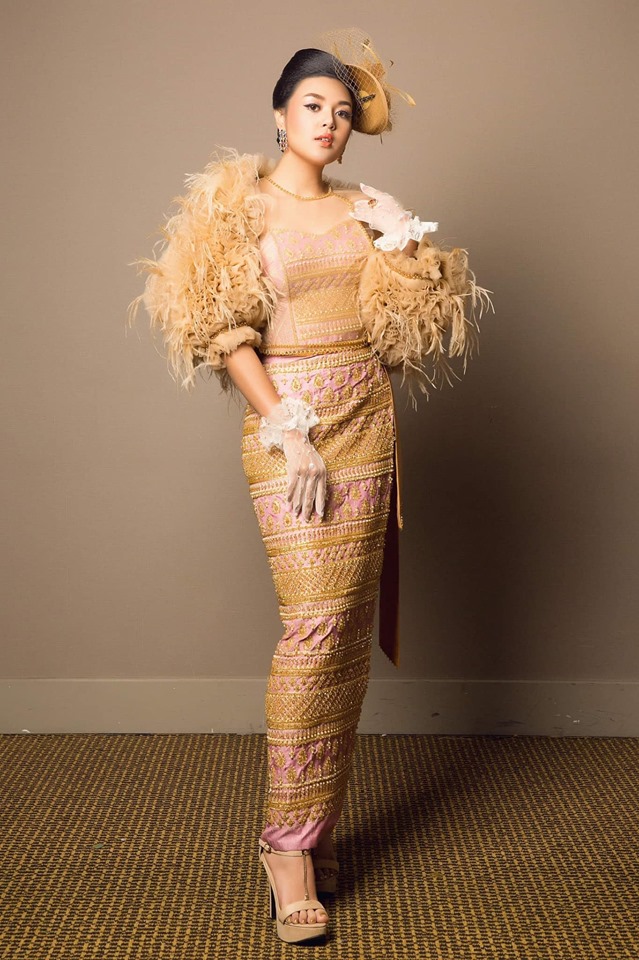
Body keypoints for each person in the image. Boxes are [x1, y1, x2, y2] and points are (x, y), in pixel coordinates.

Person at [132, 29, 491, 946]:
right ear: (278, 114)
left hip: (365, 423)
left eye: (341, 111)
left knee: (345, 641)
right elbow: (221, 326)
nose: (328, 122)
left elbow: (404, 335)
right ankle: (284, 847)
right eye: (311, 106)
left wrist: (403, 246)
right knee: (315, 629)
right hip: (290, 429)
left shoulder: (360, 207)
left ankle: (316, 828)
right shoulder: (238, 206)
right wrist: (286, 430)